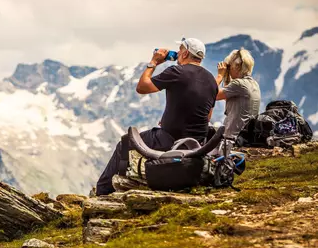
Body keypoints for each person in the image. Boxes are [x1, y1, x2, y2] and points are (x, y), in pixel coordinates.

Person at [95, 37, 218, 196]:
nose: (178, 53)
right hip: (197, 144)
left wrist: (153, 62)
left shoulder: (177, 72)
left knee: (124, 144)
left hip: (170, 138)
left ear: (186, 53)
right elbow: (207, 117)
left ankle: (104, 193)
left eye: (180, 50)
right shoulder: (211, 80)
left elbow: (142, 87)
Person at [215, 48, 261, 140]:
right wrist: (227, 77)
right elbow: (228, 97)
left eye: (229, 66)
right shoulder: (253, 83)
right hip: (245, 136)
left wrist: (220, 75)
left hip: (232, 137)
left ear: (237, 66)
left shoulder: (238, 84)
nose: (228, 69)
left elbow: (212, 94)